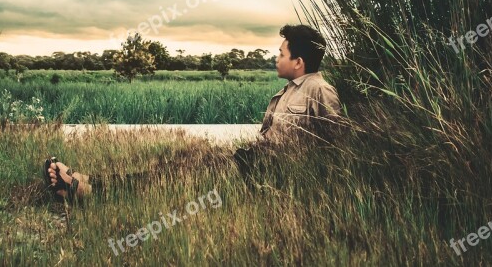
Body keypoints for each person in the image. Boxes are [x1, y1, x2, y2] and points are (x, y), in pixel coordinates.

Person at [43, 24, 342, 203]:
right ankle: (88, 182)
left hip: (264, 173)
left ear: (299, 61)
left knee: (179, 174)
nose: (276, 58)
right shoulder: (289, 89)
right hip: (250, 162)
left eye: (281, 53)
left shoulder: (320, 91)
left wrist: (304, 186)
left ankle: (88, 190)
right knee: (177, 164)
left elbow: (335, 151)